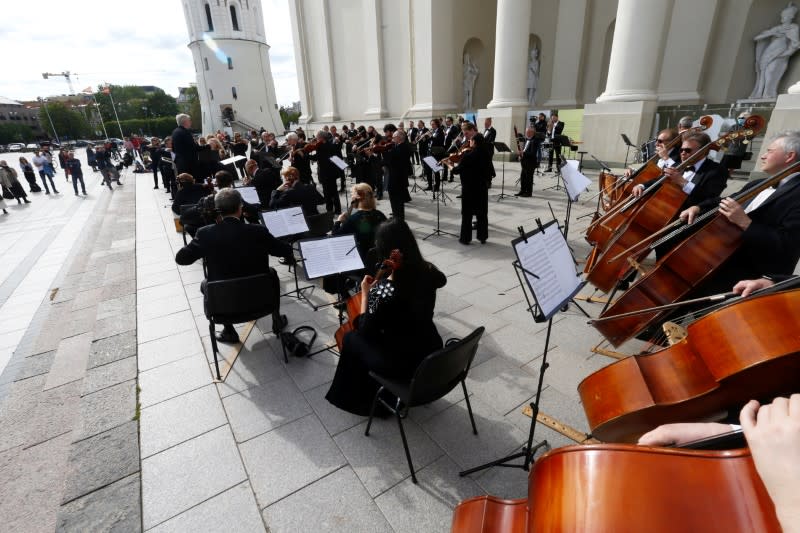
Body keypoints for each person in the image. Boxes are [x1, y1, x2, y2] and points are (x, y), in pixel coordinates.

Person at [325, 218, 448, 415]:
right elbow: (441, 280)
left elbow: (364, 328)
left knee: (351, 338)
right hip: (429, 350)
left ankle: (361, 399)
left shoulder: (384, 291)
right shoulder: (429, 270)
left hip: (401, 363)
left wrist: (366, 293)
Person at [679, 130, 800, 296]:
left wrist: (745, 222)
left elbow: (788, 244)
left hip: (749, 282)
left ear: (789, 156)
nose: (763, 156)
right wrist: (698, 207)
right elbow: (727, 199)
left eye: (769, 151)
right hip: (716, 266)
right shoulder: (758, 183)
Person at [175, 188, 291, 343]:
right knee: (272, 274)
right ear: (240, 207)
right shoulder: (258, 231)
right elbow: (284, 251)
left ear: (217, 210)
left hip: (224, 306)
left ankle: (229, 330)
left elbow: (181, 259)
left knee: (206, 283)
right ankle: (275, 319)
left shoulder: (205, 233)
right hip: (262, 301)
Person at [450, 131, 490, 245]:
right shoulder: (486, 153)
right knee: (482, 213)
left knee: (467, 215)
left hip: (469, 189)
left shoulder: (469, 156)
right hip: (482, 188)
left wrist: (449, 165)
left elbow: (456, 171)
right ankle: (483, 237)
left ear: (475, 142)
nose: (469, 142)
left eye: (471, 140)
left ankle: (465, 238)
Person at [377, 130, 412, 220]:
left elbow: (390, 159)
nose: (392, 138)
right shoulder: (397, 146)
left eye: (394, 137)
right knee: (394, 199)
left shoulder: (402, 147)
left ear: (399, 138)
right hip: (396, 177)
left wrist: (380, 152)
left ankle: (399, 218)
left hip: (398, 178)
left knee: (397, 200)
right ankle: (396, 215)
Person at [515, 127, 537, 197]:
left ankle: (528, 192)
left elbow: (532, 153)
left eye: (527, 132)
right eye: (526, 132)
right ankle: (522, 190)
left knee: (529, 178)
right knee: (523, 177)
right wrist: (521, 154)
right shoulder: (527, 139)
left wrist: (523, 153)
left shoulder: (535, 141)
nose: (526, 133)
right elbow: (525, 150)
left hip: (531, 162)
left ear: (531, 132)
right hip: (524, 161)